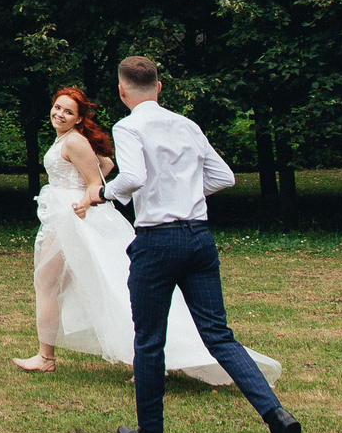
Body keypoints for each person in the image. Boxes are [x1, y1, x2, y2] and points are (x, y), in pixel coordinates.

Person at [77, 55, 303, 433]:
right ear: (159, 87)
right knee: (219, 335)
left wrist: (102, 193)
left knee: (149, 339)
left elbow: (133, 178)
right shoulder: (187, 125)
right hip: (198, 238)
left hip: (157, 243)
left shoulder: (128, 126)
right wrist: (185, 195)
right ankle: (277, 415)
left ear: (123, 91)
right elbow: (223, 177)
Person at [14, 87, 281, 391]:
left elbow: (95, 182)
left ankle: (50, 356)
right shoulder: (68, 139)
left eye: (68, 112)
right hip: (64, 219)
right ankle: (57, 354)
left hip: (75, 219)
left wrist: (85, 202)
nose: (59, 114)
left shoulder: (73, 141)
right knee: (61, 284)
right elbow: (106, 165)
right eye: (57, 108)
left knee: (78, 285)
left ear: (78, 120)